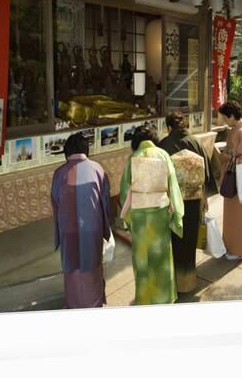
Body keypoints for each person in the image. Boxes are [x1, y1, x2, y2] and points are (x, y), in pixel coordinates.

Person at [119, 126, 184, 305]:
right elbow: (173, 185)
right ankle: (163, 297)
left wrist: (129, 218)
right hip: (160, 214)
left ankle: (145, 298)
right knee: (161, 257)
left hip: (140, 218)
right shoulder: (163, 155)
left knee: (143, 259)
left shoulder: (133, 158)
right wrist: (176, 213)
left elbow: (125, 192)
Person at [158, 111, 217, 292]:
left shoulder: (163, 145)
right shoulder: (195, 142)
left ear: (169, 127)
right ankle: (188, 281)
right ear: (184, 125)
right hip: (194, 201)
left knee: (174, 240)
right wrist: (204, 197)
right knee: (189, 241)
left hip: (172, 203)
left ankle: (174, 282)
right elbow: (207, 173)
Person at [51, 132, 111, 309]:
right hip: (92, 230)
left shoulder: (59, 173)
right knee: (92, 268)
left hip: (68, 230)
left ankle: (74, 306)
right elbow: (105, 202)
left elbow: (56, 203)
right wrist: (105, 228)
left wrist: (60, 228)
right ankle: (94, 304)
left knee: (72, 271)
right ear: (86, 150)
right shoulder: (98, 169)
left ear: (66, 152)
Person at [218, 100, 242, 261]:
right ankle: (231, 247)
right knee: (232, 215)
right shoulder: (238, 129)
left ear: (232, 116)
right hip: (234, 177)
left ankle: (238, 250)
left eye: (225, 118)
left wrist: (225, 155)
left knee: (238, 216)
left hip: (239, 178)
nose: (224, 121)